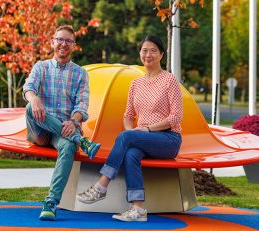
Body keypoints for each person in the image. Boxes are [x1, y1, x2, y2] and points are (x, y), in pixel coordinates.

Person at [76, 35, 183, 222]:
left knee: (126, 138)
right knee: (131, 153)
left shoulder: (169, 80)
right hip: (142, 139)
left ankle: (101, 186)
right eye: (144, 50)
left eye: (153, 51)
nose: (148, 54)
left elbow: (175, 117)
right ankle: (138, 208)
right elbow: (128, 116)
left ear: (161, 55)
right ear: (140, 54)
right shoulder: (135, 84)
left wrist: (146, 130)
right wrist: (132, 131)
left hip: (168, 139)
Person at [23, 25, 100, 221]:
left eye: (68, 41)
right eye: (60, 39)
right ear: (52, 42)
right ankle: (80, 140)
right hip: (40, 129)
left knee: (67, 147)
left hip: (64, 131)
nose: (63, 44)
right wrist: (34, 98)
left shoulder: (81, 74)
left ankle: (51, 203)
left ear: (73, 45)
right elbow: (29, 88)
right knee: (31, 107)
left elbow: (82, 104)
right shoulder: (41, 67)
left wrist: (74, 121)